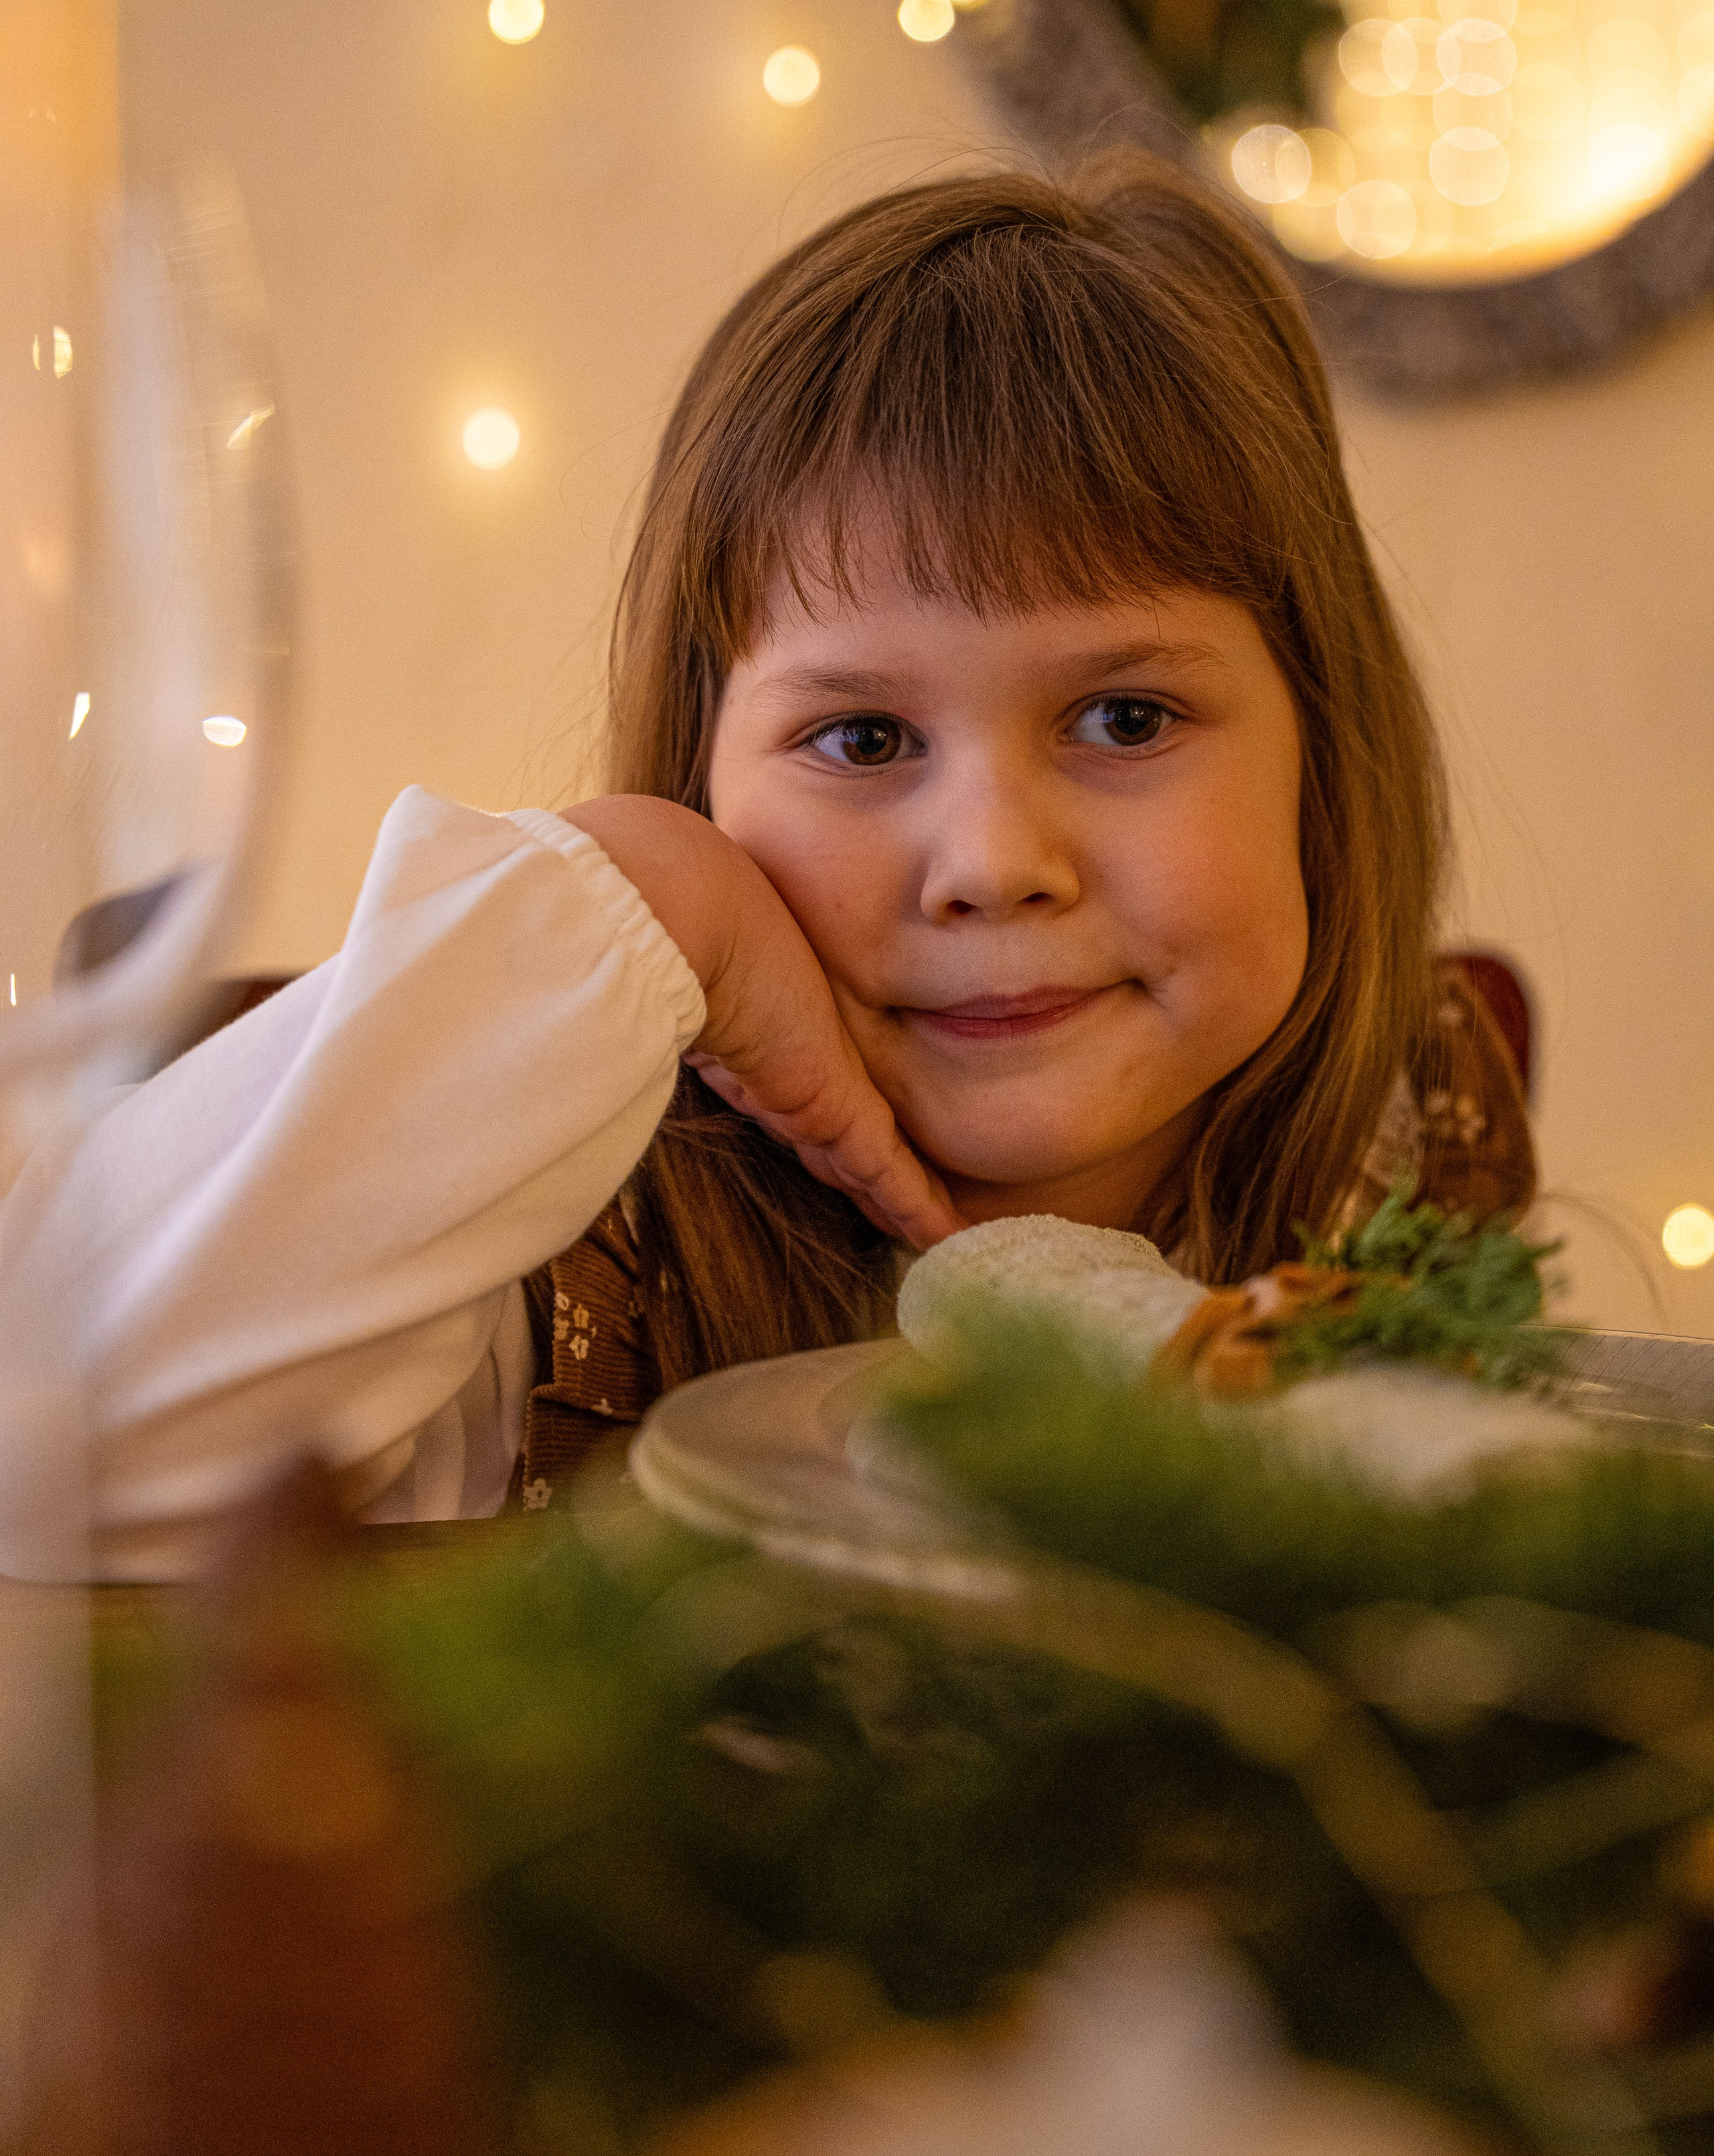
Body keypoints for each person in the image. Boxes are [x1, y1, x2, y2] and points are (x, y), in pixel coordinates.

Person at [0, 154, 1533, 1579]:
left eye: (1121, 717)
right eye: (862, 740)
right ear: (699, 769)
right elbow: (40, 1456)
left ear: (1322, 758)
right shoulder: (527, 1238)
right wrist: (639, 892)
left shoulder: (1399, 1161)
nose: (992, 865)